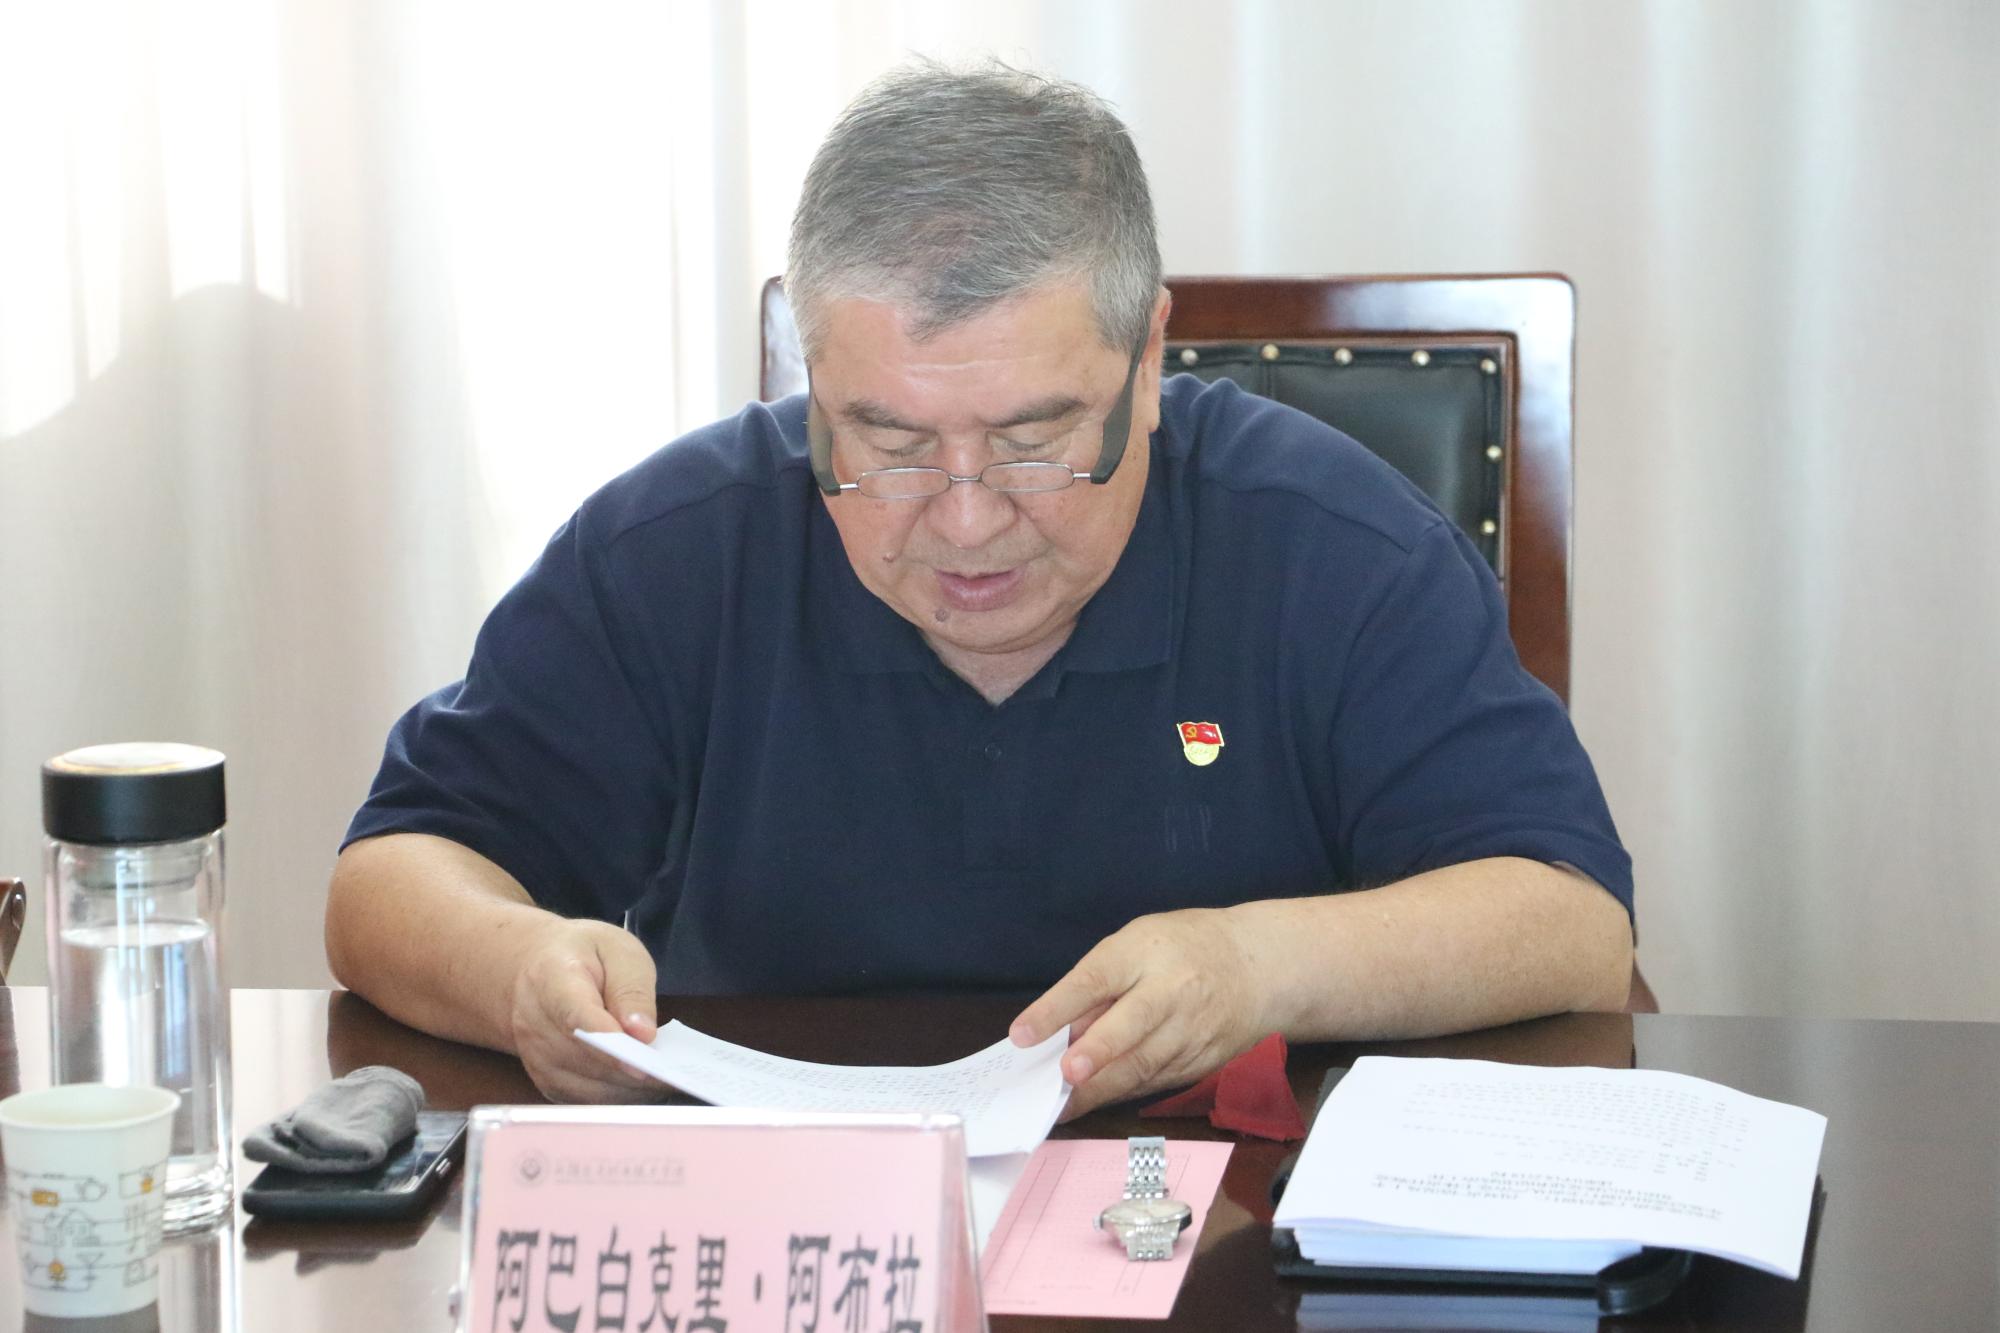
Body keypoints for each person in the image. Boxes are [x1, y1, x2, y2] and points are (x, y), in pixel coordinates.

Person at [326, 60, 1635, 1112]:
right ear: (815, 381)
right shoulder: (677, 548)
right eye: (887, 440)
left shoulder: (1332, 546)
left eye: (1033, 437)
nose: (964, 519)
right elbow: (391, 875)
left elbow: (1571, 925)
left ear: (1150, 359)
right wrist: (520, 969)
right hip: (798, 1230)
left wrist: (1256, 963)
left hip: (1222, 1233)